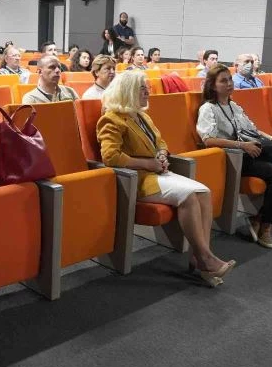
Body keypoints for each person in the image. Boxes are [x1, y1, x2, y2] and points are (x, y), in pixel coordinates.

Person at [97, 69, 235, 287]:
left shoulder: (142, 116)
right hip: (137, 179)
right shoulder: (111, 119)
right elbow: (110, 156)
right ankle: (205, 258)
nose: (147, 92)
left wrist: (161, 154)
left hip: (158, 172)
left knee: (203, 192)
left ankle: (201, 256)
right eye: (142, 88)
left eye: (146, 88)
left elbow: (160, 142)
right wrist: (148, 163)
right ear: (128, 91)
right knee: (189, 195)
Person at [197, 65, 272, 248]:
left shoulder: (234, 106)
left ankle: (258, 218)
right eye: (223, 81)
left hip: (252, 151)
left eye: (230, 79)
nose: (229, 83)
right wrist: (242, 145)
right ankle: (266, 227)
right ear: (212, 85)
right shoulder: (208, 108)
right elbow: (208, 140)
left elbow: (252, 130)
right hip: (234, 158)